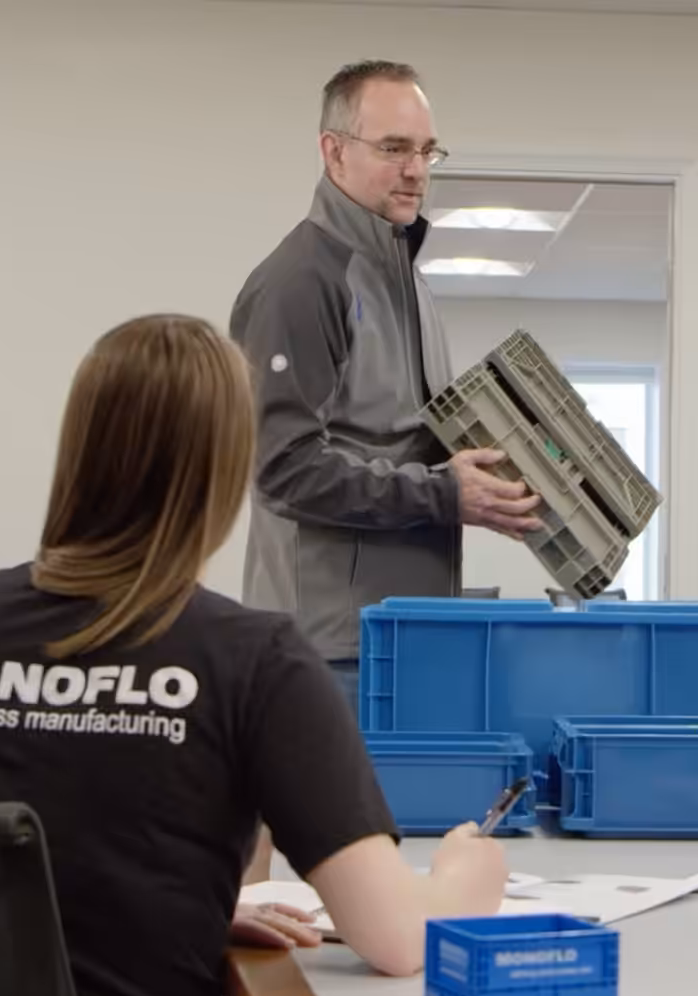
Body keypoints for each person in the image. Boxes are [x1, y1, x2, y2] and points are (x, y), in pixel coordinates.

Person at [0, 315, 508, 996]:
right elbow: (398, 940)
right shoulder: (253, 661)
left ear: (78, 451)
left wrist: (191, 906)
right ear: (225, 472)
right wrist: (466, 877)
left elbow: (26, 853)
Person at [231, 59, 542, 706]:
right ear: (333, 151)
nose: (417, 170)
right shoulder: (304, 282)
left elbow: (405, 444)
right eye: (395, 148)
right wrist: (444, 496)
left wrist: (489, 479)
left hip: (402, 635)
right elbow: (282, 468)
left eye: (427, 151)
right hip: (325, 652)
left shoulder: (404, 277)